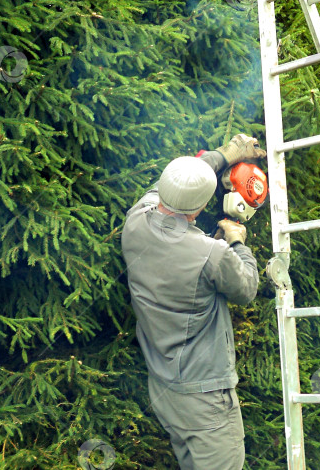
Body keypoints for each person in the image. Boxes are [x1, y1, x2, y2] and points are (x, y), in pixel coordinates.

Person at [121, 134, 266, 470]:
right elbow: (246, 289)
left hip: (165, 389)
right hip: (205, 398)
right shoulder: (212, 254)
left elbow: (180, 181)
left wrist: (225, 154)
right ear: (202, 207)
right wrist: (237, 242)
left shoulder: (136, 220)